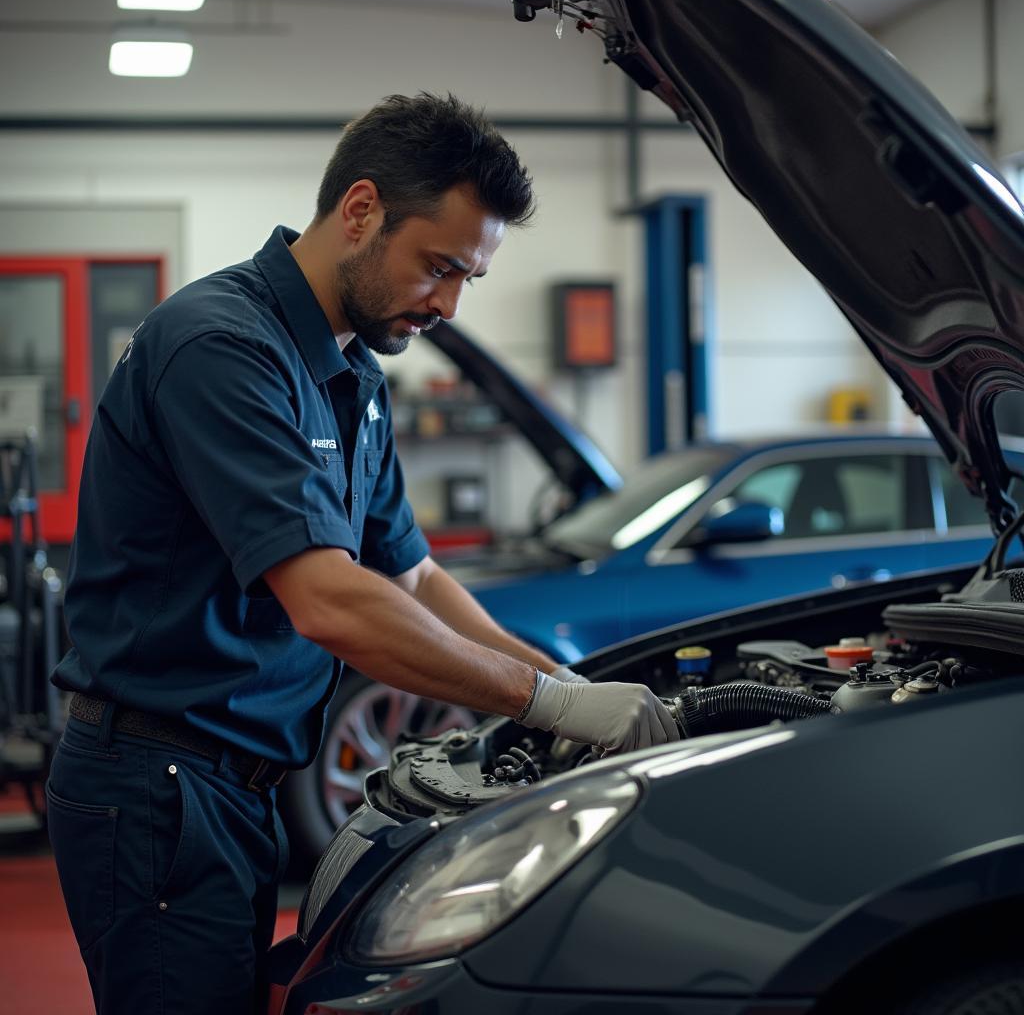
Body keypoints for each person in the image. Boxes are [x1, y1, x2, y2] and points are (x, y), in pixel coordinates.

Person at [45, 92, 679, 1015]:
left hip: (233, 787)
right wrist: (552, 701)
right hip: (158, 787)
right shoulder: (223, 347)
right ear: (360, 211)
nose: (450, 304)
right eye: (438, 267)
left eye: (469, 278)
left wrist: (565, 691)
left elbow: (411, 575)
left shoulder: (352, 378)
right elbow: (330, 602)